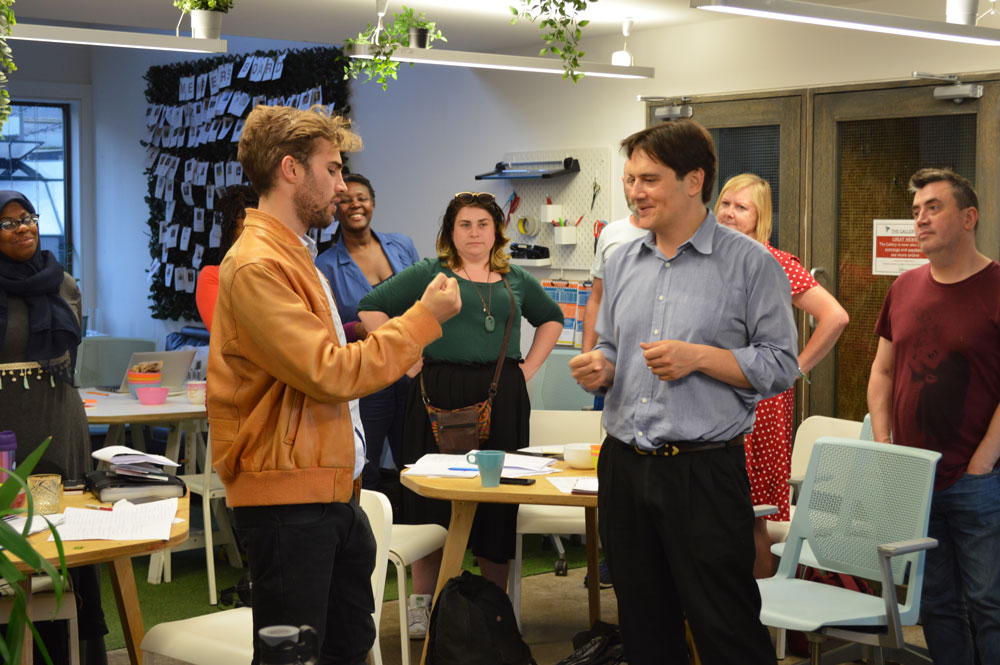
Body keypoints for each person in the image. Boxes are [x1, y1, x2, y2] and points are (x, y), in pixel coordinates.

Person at [206, 104, 461, 665]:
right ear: (291, 169)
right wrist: (423, 319)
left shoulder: (295, 257)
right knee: (295, 656)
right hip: (287, 504)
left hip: (330, 495)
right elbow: (330, 372)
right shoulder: (256, 265)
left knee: (347, 648)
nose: (343, 188)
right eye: (334, 169)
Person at [569, 120, 798, 665]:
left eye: (648, 179)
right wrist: (600, 365)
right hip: (624, 466)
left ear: (694, 180)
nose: (634, 192)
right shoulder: (622, 261)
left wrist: (699, 358)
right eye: (628, 179)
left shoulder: (751, 264)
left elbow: (781, 364)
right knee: (645, 631)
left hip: (703, 474)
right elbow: (610, 345)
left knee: (727, 629)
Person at [357, 191, 563, 638]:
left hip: (502, 399)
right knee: (429, 501)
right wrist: (407, 361)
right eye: (465, 224)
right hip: (435, 394)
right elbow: (370, 308)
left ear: (496, 231)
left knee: (498, 502)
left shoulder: (517, 280)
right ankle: (421, 604)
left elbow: (552, 319)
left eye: (482, 224)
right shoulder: (431, 275)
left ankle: (493, 608)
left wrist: (525, 370)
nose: (474, 232)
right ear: (451, 232)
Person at [867, 167, 1000, 665]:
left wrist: (983, 462)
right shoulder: (904, 288)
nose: (920, 219)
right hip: (914, 478)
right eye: (916, 210)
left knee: (990, 603)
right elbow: (881, 373)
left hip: (977, 480)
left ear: (969, 217)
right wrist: (884, 444)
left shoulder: (996, 286)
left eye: (933, 208)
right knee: (937, 604)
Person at [715, 173, 849, 578]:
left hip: (756, 400)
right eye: (725, 204)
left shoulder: (773, 262)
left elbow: (835, 317)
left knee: (748, 513)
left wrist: (794, 369)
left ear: (760, 218)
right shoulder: (709, 261)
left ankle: (759, 624)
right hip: (714, 395)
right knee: (716, 513)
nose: (730, 214)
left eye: (742, 208)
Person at [0, 190, 108, 664]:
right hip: (5, 436)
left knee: (60, 543)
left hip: (60, 431)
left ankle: (66, 655)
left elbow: (70, 356)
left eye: (28, 217)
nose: (23, 227)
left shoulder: (62, 282)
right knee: (11, 550)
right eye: (8, 223)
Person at [315, 173, 420, 490]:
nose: (354, 205)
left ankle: (420, 532)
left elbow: (422, 298)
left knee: (415, 460)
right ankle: (371, 534)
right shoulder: (324, 264)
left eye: (361, 198)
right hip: (366, 376)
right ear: (335, 207)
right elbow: (325, 330)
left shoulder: (401, 245)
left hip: (411, 370)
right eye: (345, 199)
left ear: (372, 203)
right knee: (367, 464)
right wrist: (357, 329)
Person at [581, 188, 646, 353]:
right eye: (632, 180)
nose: (639, 191)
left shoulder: (674, 235)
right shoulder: (610, 233)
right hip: (614, 352)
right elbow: (596, 298)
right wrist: (586, 355)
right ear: (624, 183)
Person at [195, 184, 258, 331]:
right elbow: (225, 333)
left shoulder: (275, 272)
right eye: (244, 228)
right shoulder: (213, 276)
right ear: (230, 233)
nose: (253, 236)